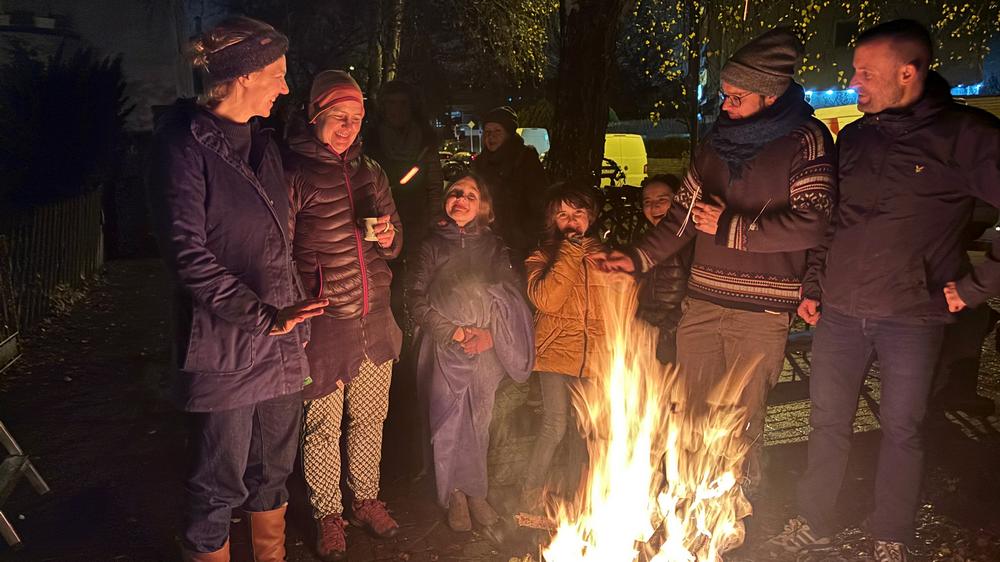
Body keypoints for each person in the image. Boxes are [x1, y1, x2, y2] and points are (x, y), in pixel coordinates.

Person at [767, 20, 1000, 562]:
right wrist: (814, 282)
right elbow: (834, 219)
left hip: (912, 316)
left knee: (903, 428)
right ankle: (815, 522)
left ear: (908, 72)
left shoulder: (966, 137)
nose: (853, 82)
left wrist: (977, 286)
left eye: (864, 72)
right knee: (826, 422)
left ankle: (890, 534)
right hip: (842, 311)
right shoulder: (857, 136)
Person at [599, 27, 836, 495]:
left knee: (738, 427)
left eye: (736, 97)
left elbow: (814, 223)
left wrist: (731, 227)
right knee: (692, 418)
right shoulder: (714, 147)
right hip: (703, 305)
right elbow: (682, 219)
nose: (725, 106)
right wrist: (635, 258)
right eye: (725, 96)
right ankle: (691, 520)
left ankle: (735, 524)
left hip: (760, 314)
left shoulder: (806, 141)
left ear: (769, 95)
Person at [147, 17, 326, 562]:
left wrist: (289, 315)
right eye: (278, 74)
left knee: (273, 472)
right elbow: (189, 257)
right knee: (217, 485)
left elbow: (282, 239)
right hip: (227, 346)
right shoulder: (183, 146)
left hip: (281, 343)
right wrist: (262, 315)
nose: (285, 87)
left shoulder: (265, 147)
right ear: (245, 76)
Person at [284, 70, 403, 561]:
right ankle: (328, 513)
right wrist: (298, 307)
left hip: (374, 318)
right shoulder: (292, 172)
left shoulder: (370, 171)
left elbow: (397, 244)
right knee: (322, 426)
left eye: (356, 119)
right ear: (315, 115)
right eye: (339, 117)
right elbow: (278, 250)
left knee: (370, 418)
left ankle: (365, 499)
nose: (348, 127)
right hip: (325, 324)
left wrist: (393, 238)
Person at [407, 174, 535, 532]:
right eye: (454, 193)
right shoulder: (431, 245)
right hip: (443, 345)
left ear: (484, 207)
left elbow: (512, 297)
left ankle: (476, 492)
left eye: (471, 195)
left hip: (484, 347)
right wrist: (454, 332)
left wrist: (491, 336)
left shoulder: (494, 247)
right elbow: (415, 298)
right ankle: (453, 496)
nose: (461, 199)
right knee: (447, 423)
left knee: (479, 421)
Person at [520, 183, 636, 509]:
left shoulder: (607, 258)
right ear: (552, 219)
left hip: (596, 358)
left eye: (578, 213)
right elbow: (547, 299)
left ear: (591, 217)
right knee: (554, 427)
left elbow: (620, 308)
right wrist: (571, 252)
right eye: (563, 214)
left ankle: (588, 497)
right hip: (555, 355)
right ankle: (529, 496)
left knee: (594, 431)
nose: (571, 221)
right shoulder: (540, 256)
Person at [364, 79, 444, 248]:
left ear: (411, 106)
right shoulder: (372, 140)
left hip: (418, 222)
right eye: (391, 103)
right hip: (383, 221)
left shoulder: (425, 140)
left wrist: (434, 218)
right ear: (383, 106)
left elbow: (434, 185)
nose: (397, 109)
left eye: (402, 103)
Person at [470, 106, 548, 269]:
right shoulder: (480, 162)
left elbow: (538, 202)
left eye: (497, 131)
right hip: (487, 237)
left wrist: (529, 236)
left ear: (508, 133)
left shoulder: (525, 158)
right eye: (487, 131)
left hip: (519, 242)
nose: (491, 137)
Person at [635, 174, 692, 365]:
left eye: (662, 200)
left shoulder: (690, 243)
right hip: (647, 336)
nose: (654, 207)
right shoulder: (646, 244)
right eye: (648, 202)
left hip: (675, 340)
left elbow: (694, 296)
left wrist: (666, 329)